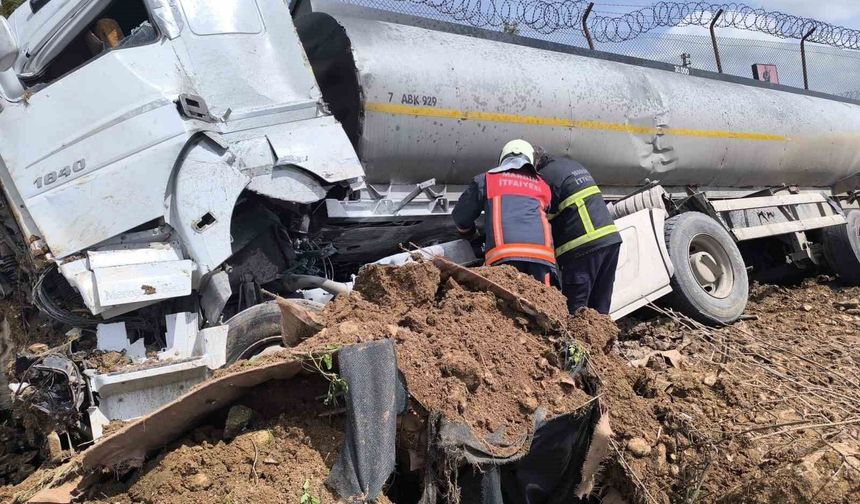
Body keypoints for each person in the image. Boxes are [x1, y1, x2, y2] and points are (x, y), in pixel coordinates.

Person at [452, 140, 558, 285]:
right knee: (541, 297)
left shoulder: (487, 179)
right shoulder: (543, 185)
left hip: (504, 255)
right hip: (542, 258)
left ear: (502, 158)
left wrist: (469, 234)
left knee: (500, 298)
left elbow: (461, 217)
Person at [536, 150, 622, 314]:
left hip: (584, 247)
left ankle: (578, 332)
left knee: (577, 309)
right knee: (600, 304)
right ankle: (602, 330)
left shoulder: (545, 177)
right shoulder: (572, 165)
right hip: (610, 238)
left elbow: (542, 215)